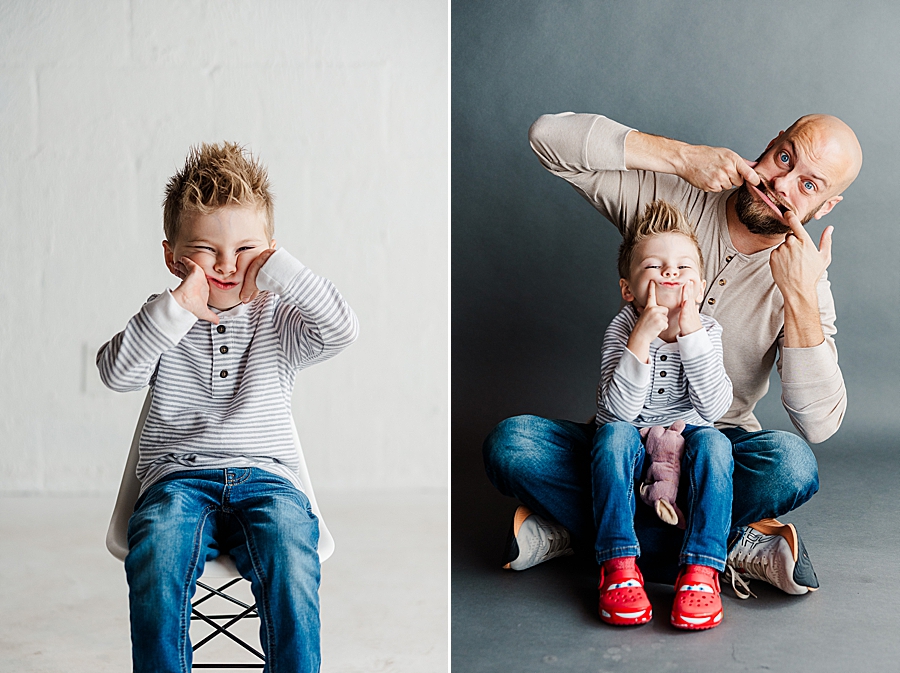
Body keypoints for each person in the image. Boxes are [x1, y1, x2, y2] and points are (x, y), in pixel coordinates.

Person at [487, 111, 862, 600]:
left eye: (808, 185)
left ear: (827, 205)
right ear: (772, 142)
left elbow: (819, 424)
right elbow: (546, 139)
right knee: (513, 445)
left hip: (716, 446)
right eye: (784, 158)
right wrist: (681, 158)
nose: (781, 183)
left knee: (791, 463)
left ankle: (586, 533)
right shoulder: (679, 196)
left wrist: (800, 296)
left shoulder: (805, 279)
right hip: (623, 436)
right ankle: (722, 543)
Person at [97, 142, 359, 673]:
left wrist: (278, 270)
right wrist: (176, 310)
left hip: (267, 479)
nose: (224, 264)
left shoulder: (278, 319)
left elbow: (342, 329)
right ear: (172, 256)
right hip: (177, 482)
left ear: (268, 251)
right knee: (159, 554)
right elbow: (116, 373)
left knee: (290, 553)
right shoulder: (163, 318)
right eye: (205, 250)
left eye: (245, 249)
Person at [592, 199, 733, 630]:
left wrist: (690, 336)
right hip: (631, 449)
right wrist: (642, 338)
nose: (670, 273)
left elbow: (714, 409)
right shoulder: (622, 328)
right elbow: (616, 413)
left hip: (685, 448)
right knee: (608, 439)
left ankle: (701, 570)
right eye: (654, 266)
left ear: (702, 284)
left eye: (683, 266)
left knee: (718, 443)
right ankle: (618, 563)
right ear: (628, 289)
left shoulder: (707, 331)